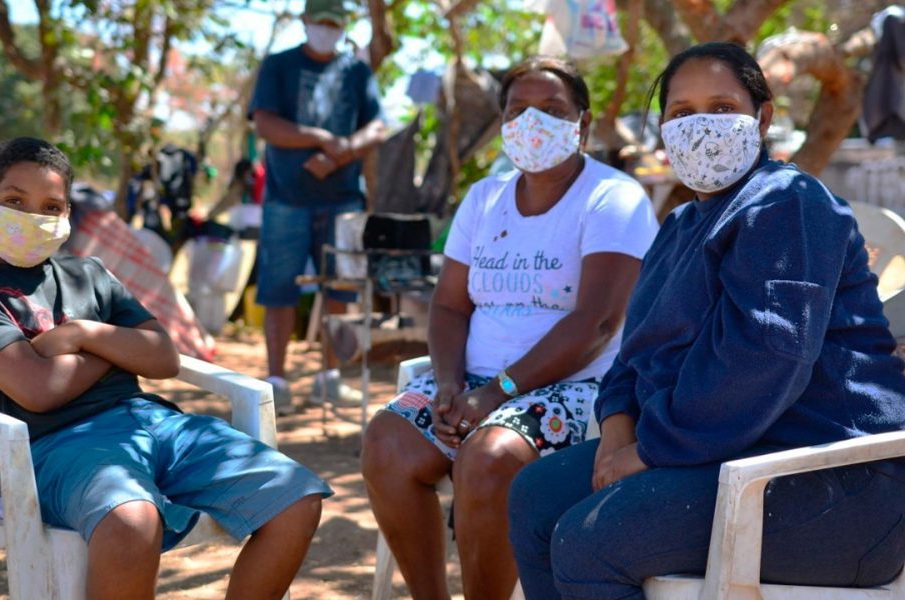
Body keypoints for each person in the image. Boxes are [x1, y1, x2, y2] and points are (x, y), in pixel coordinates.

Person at [507, 42, 905, 600]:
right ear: (664, 129)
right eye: (682, 113)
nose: (702, 127)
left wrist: (645, 453)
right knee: (534, 495)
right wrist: (615, 432)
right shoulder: (677, 227)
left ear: (761, 117)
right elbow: (634, 352)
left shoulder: (786, 203)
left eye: (722, 108)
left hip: (829, 479)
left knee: (589, 540)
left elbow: (764, 358)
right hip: (719, 453)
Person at [0, 137, 333, 600]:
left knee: (296, 499)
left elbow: (164, 357)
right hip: (56, 444)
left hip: (154, 424)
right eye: (14, 201)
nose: (31, 217)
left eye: (50, 207)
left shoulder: (90, 275)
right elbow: (40, 390)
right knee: (131, 522)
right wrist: (120, 347)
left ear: (65, 218)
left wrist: (84, 334)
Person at [361, 56, 660, 599]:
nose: (533, 123)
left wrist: (494, 394)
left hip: (575, 387)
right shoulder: (485, 198)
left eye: (552, 110)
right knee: (386, 442)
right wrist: (452, 385)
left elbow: (597, 323)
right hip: (473, 380)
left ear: (583, 124)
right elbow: (450, 307)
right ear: (502, 122)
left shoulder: (613, 198)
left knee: (490, 458)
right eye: (518, 109)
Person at [249, 0, 385, 415]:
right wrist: (320, 138)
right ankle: (276, 381)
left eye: (334, 22)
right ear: (305, 21)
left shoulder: (357, 71)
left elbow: (377, 126)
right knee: (278, 289)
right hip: (286, 198)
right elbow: (265, 124)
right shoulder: (278, 65)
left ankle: (328, 378)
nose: (326, 28)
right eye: (320, 21)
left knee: (339, 288)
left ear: (343, 26)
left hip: (343, 197)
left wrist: (338, 154)